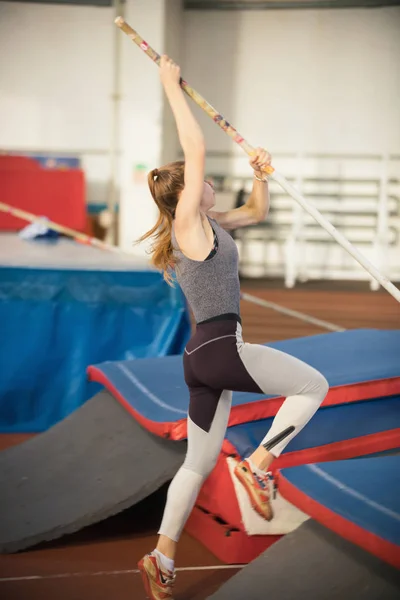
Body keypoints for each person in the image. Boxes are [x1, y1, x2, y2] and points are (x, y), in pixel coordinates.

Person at [137, 56, 329, 600]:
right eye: (204, 180)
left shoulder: (212, 225)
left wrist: (258, 172)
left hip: (201, 359)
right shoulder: (187, 225)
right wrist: (170, 87)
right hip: (222, 347)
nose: (211, 181)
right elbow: (195, 150)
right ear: (187, 194)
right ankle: (260, 464)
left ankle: (161, 554)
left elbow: (255, 211)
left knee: (196, 466)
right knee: (314, 385)